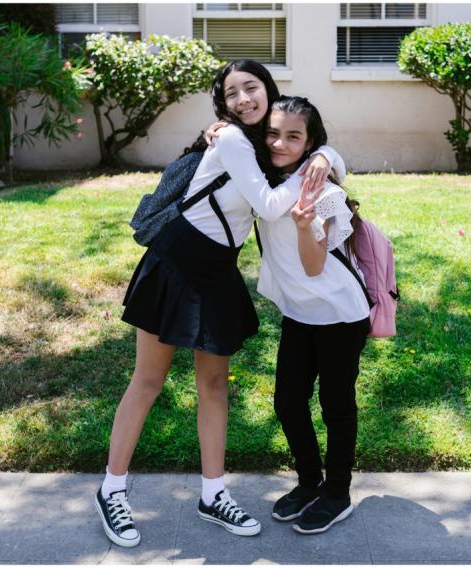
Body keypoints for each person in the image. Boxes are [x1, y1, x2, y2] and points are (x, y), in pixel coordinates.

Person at [95, 61, 345, 547]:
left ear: (269, 91)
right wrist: (321, 163)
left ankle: (213, 494)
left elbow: (304, 143)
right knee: (148, 380)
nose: (243, 99)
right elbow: (273, 206)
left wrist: (327, 154)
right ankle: (112, 490)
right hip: (177, 261)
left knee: (213, 385)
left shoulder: (264, 144)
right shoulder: (231, 140)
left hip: (217, 271)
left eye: (251, 88)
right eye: (232, 94)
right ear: (223, 104)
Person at [255, 96, 370, 534]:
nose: (280, 143)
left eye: (293, 136)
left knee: (336, 405)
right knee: (287, 401)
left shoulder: (325, 193)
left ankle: (337, 493)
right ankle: (309, 482)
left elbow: (315, 265)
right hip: (300, 314)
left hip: (339, 315)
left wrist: (305, 226)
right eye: (273, 133)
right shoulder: (266, 181)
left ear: (310, 141)